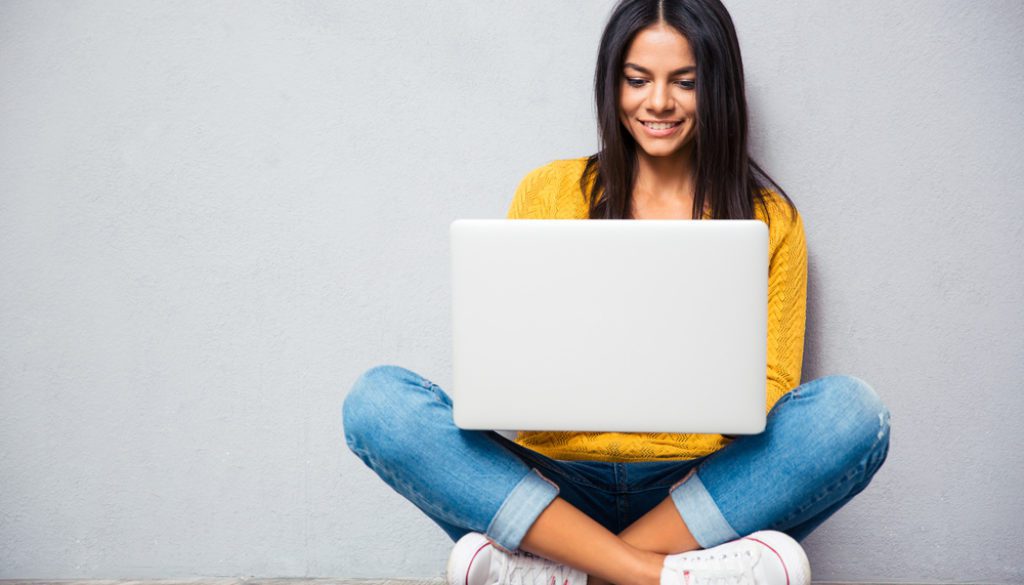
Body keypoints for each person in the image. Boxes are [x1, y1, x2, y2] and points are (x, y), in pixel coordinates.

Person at [342, 1, 891, 584]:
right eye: (637, 80)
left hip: (699, 491)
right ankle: (656, 576)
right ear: (612, 85)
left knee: (852, 416)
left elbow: (772, 394)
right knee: (378, 403)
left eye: (686, 82)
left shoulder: (769, 218)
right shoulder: (549, 191)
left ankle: (567, 572)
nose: (658, 103)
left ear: (720, 87)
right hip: (553, 487)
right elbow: (503, 366)